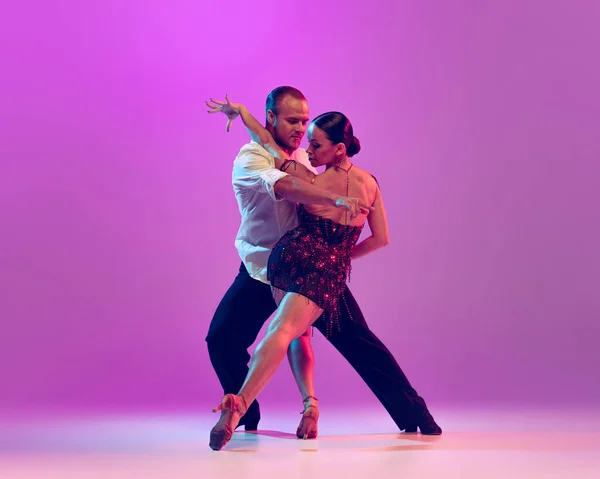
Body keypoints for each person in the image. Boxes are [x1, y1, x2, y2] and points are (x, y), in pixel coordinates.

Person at [204, 87, 441, 450]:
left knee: (329, 337)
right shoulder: (254, 160)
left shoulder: (304, 162)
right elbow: (285, 184)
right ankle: (253, 412)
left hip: (305, 268)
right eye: (294, 122)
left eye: (308, 127)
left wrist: (244, 114)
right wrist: (340, 238)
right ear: (273, 117)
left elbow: (271, 143)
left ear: (336, 148)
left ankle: (253, 406)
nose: (304, 136)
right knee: (228, 337)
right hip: (261, 267)